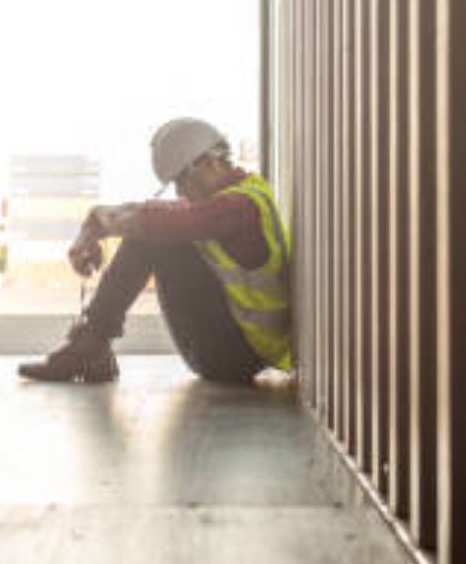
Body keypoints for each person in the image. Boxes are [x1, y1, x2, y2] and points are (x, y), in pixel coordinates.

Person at [17, 118, 292, 384]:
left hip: (235, 356)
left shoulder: (237, 207)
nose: (181, 191)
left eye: (182, 180)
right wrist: (91, 227)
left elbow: (159, 222)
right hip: (240, 349)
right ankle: (92, 346)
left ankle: (90, 346)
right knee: (154, 230)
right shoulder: (236, 196)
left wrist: (98, 224)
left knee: (152, 237)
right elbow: (155, 212)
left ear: (209, 162)